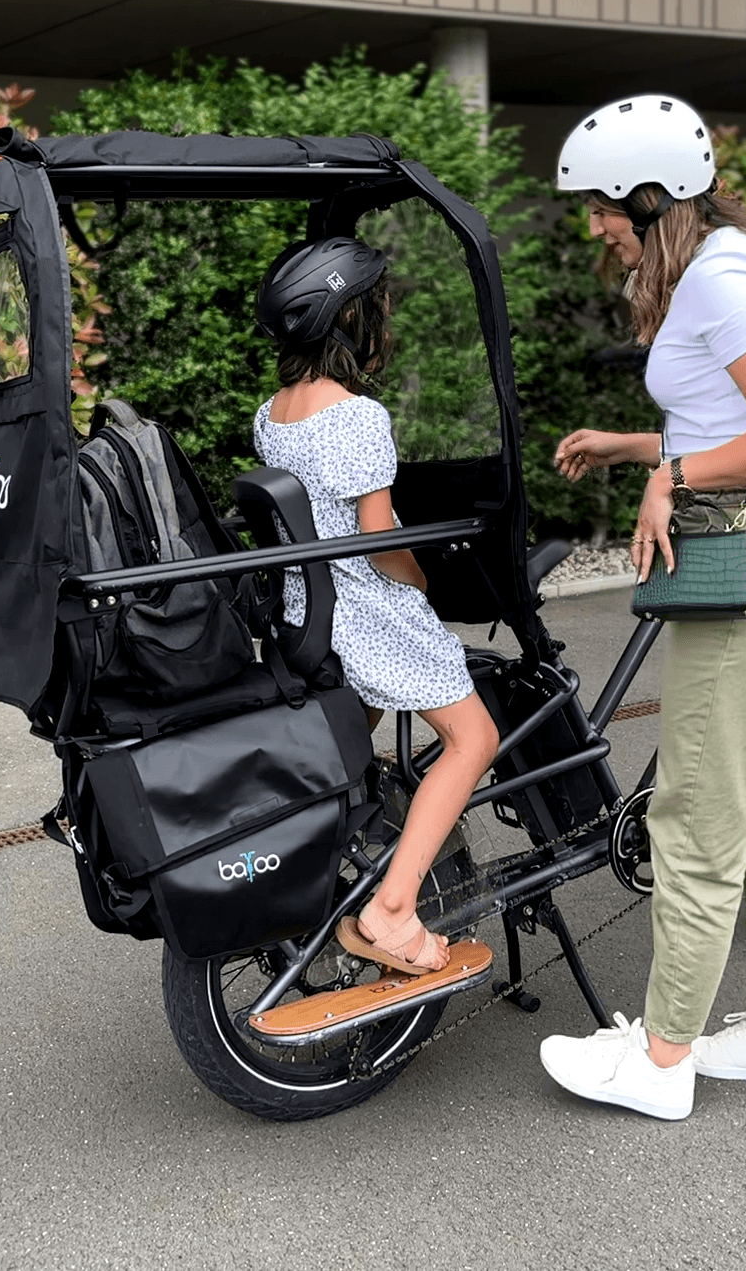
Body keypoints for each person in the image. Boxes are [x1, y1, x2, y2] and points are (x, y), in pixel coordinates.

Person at [537, 96, 746, 1120]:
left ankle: (662, 1058)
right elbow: (725, 418)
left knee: (695, 816)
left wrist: (671, 480)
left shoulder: (719, 276)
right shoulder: (717, 268)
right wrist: (638, 448)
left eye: (600, 207)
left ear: (649, 195)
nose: (594, 225)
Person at [251, 236, 500, 975]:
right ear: (351, 321)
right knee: (471, 738)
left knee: (352, 750)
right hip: (365, 612)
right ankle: (392, 910)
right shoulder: (357, 416)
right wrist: (420, 578)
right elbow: (375, 541)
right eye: (376, 310)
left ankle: (328, 870)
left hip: (308, 612)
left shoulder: (273, 413)